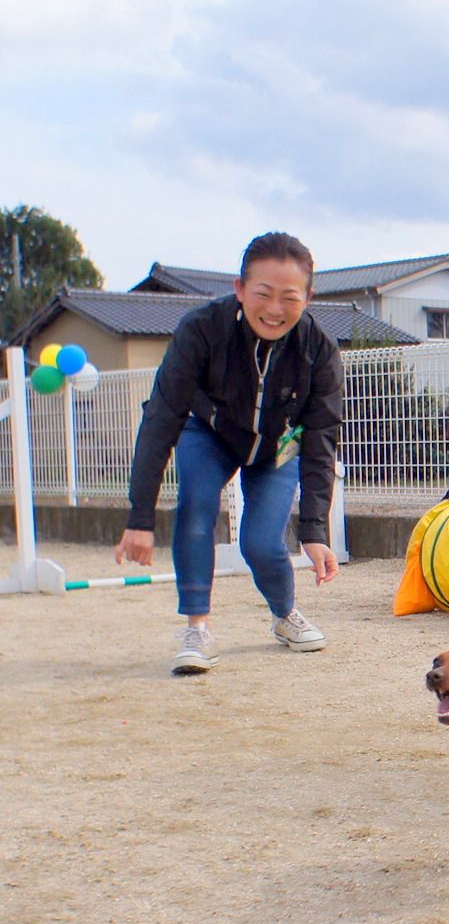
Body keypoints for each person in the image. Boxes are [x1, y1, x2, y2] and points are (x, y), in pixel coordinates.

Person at [114, 232, 344, 675]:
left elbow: (320, 437)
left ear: (308, 298)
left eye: (289, 297)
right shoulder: (202, 329)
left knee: (261, 542)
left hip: (277, 446)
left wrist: (314, 530)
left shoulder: (319, 349)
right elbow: (161, 418)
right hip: (210, 432)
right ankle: (196, 629)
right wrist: (139, 518)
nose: (274, 309)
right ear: (239, 289)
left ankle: (284, 614)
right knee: (196, 505)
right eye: (263, 293)